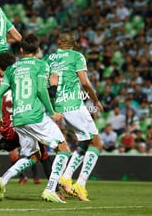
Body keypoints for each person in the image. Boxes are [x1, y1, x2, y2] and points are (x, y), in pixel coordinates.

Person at [0, 34, 71, 203]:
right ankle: (50, 189)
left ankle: (2, 180)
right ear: (38, 49)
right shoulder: (41, 65)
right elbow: (42, 90)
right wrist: (52, 112)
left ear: (21, 50)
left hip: (18, 119)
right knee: (63, 150)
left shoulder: (12, 68)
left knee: (33, 156)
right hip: (35, 116)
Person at [0, 51, 55, 198]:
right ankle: (55, 189)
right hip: (27, 126)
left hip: (9, 131)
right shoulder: (26, 78)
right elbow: (42, 93)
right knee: (43, 154)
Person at [43, 31, 104, 202]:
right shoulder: (77, 56)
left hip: (58, 107)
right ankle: (81, 184)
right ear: (75, 43)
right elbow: (84, 82)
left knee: (86, 141)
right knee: (97, 144)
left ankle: (67, 177)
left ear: (59, 42)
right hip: (74, 105)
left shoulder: (48, 59)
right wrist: (95, 100)